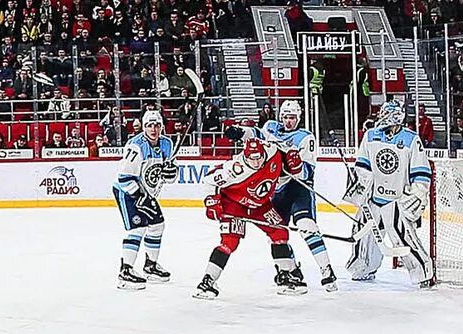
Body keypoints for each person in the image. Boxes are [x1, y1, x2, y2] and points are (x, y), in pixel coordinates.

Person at [194, 129, 296, 300]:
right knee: (230, 242)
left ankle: (284, 276)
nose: (256, 162)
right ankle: (207, 281)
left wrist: (293, 162)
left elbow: (285, 150)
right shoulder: (234, 169)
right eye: (252, 159)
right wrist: (212, 202)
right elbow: (209, 180)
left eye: (259, 158)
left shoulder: (271, 151)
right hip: (234, 205)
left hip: (260, 205)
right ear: (245, 156)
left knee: (280, 231)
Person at [347, 100, 433, 285]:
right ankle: (363, 268)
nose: (381, 117)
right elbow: (362, 166)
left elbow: (420, 171)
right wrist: (360, 191)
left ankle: (422, 273)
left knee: (403, 238)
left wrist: (418, 193)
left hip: (396, 200)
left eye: (385, 114)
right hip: (372, 200)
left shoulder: (411, 139)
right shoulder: (370, 136)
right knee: (363, 235)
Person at [264, 99, 337, 292]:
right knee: (275, 232)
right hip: (277, 191)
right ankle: (290, 270)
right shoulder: (270, 128)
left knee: (307, 227)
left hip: (299, 189)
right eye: (286, 117)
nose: (289, 121)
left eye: (293, 117)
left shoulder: (306, 137)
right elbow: (256, 138)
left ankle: (326, 270)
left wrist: (294, 165)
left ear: (299, 118)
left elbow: (307, 173)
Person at [112, 108, 177, 289]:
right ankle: (125, 272)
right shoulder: (136, 146)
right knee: (138, 227)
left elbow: (170, 175)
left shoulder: (167, 144)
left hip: (146, 193)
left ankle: (150, 266)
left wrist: (171, 172)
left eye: (157, 125)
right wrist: (140, 198)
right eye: (149, 125)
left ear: (161, 127)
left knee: (157, 225)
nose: (153, 129)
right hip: (127, 192)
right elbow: (124, 178)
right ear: (143, 127)